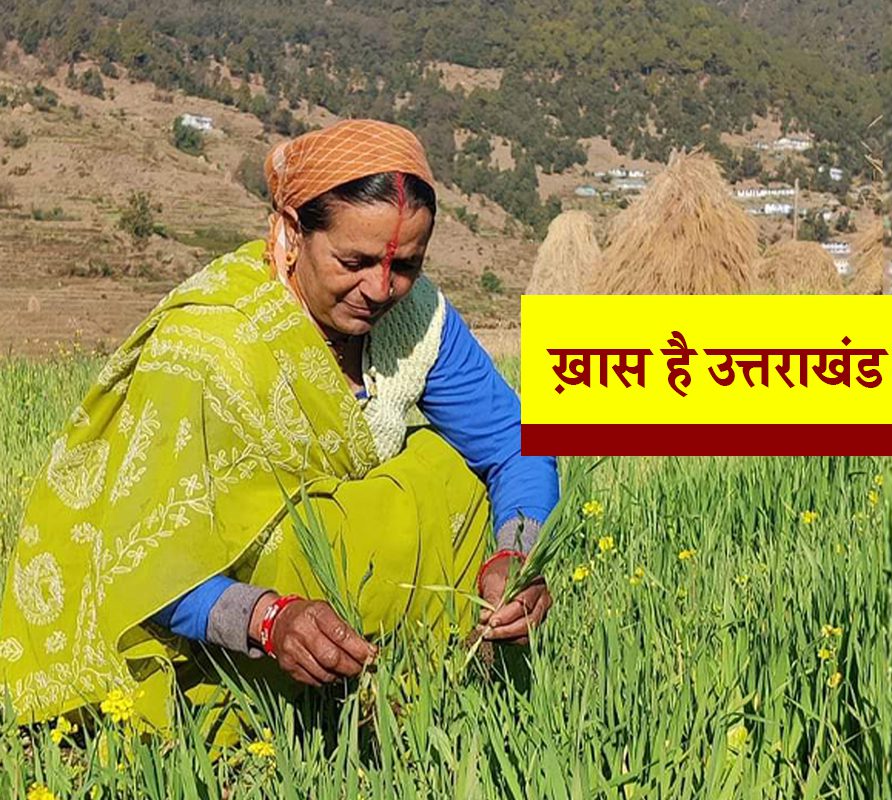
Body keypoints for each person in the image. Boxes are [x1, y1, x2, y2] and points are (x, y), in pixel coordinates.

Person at [0, 119, 557, 730]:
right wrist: (268, 619)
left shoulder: (417, 317)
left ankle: (421, 686)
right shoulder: (209, 343)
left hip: (346, 607)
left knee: (454, 469)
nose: (379, 289)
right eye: (354, 260)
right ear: (293, 232)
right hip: (225, 633)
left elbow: (516, 444)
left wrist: (517, 556)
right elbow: (140, 553)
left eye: (406, 266)